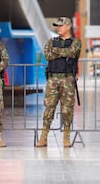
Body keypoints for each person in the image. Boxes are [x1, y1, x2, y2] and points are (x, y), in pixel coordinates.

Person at [36, 17, 82, 148]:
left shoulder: (76, 42)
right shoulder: (52, 41)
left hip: (68, 79)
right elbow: (47, 55)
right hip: (53, 79)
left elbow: (71, 53)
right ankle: (43, 137)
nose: (58, 28)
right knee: (49, 108)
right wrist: (63, 53)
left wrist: (56, 51)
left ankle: (66, 137)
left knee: (67, 109)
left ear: (68, 26)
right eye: (57, 26)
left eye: (61, 26)